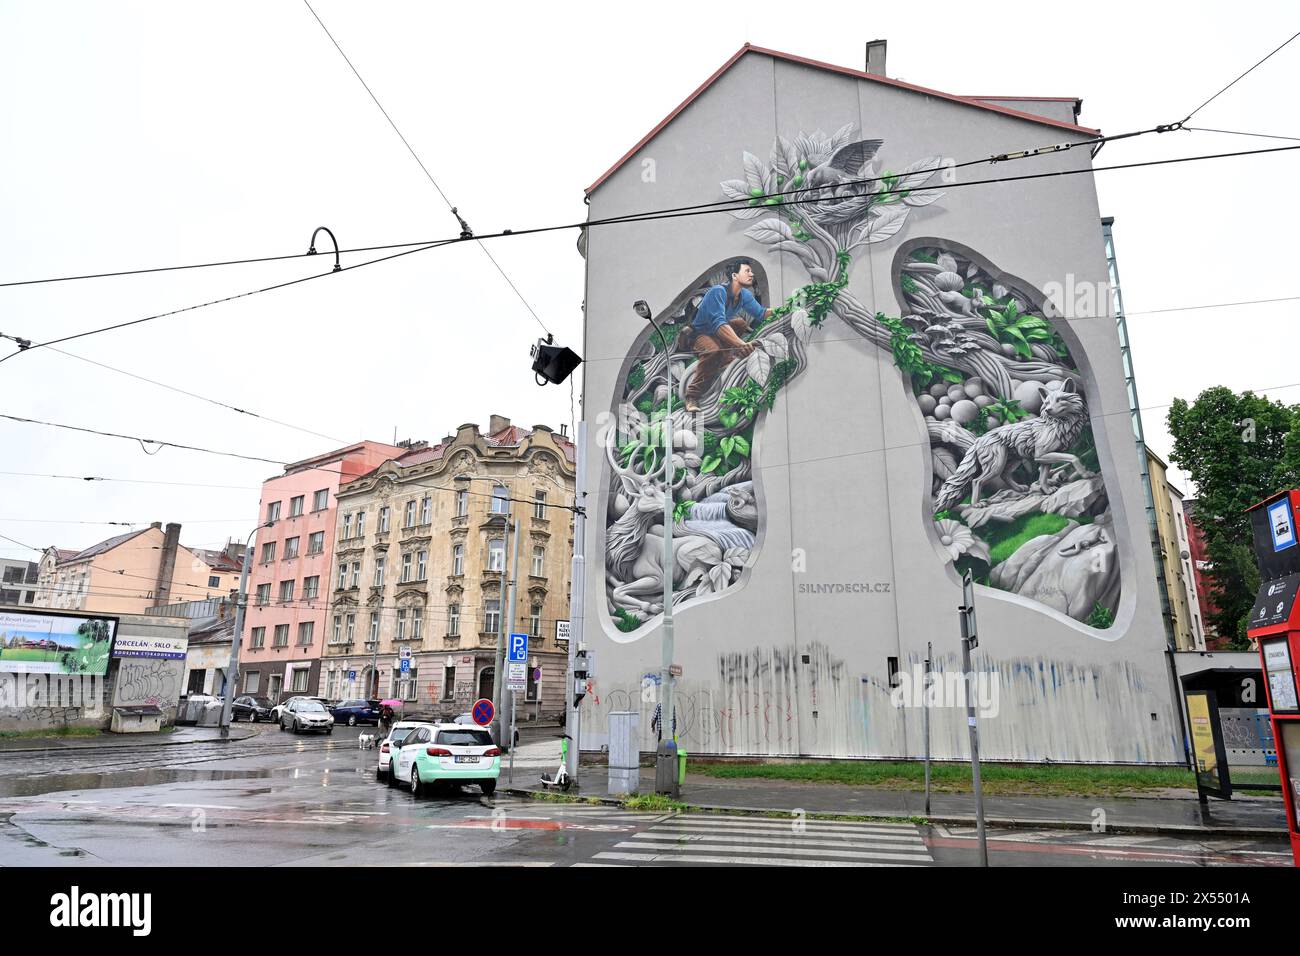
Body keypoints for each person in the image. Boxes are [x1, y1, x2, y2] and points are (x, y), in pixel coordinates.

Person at [684, 260, 772, 412]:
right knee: (712, 351)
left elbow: (762, 313)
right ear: (734, 275)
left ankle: (725, 358)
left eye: (751, 271)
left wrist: (785, 309)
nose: (751, 274)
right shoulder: (717, 291)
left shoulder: (743, 294)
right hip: (698, 334)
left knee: (740, 324)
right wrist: (741, 344)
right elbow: (719, 325)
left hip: (715, 333)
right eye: (747, 271)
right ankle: (692, 396)